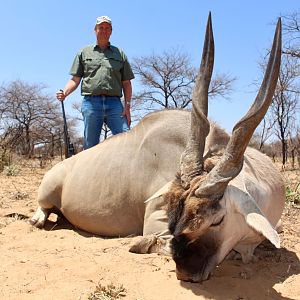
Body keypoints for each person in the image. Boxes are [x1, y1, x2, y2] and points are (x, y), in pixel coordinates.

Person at [56, 16, 134, 149]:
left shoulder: (119, 53)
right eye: (101, 28)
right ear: (95, 30)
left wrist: (127, 106)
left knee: (128, 140)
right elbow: (75, 79)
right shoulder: (84, 52)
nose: (104, 30)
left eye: (107, 28)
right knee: (90, 146)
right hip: (91, 103)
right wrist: (65, 93)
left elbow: (126, 83)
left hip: (114, 104)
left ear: (111, 31)